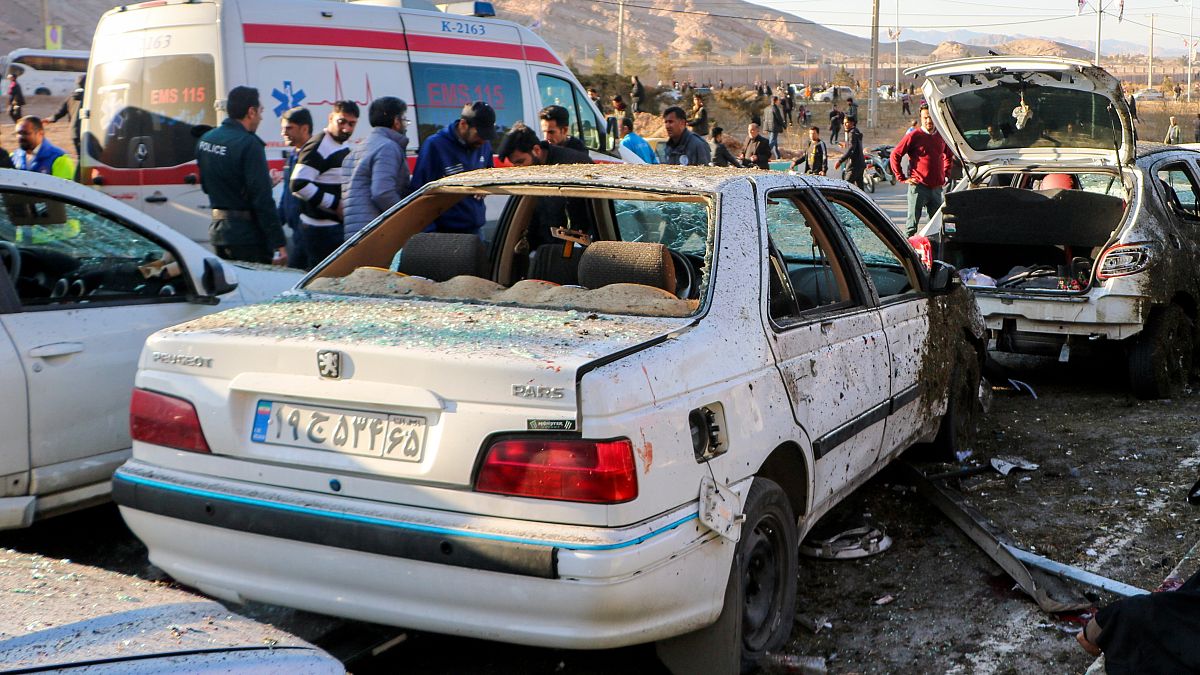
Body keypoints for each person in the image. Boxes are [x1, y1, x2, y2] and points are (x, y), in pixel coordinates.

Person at [195, 86, 287, 265]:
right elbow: (262, 200)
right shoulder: (249, 144)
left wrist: (265, 182)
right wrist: (279, 243)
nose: (260, 117)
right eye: (260, 111)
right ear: (251, 112)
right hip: (248, 238)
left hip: (219, 232)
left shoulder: (206, 138)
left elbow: (208, 185)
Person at [496, 123, 592, 254]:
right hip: (541, 248)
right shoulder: (530, 169)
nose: (519, 169)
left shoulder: (572, 165)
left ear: (536, 150)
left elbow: (586, 216)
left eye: (521, 162)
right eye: (514, 165)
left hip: (571, 249)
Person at [409, 101, 496, 234]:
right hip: (445, 233)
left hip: (476, 229)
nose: (483, 141)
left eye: (486, 137)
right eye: (479, 135)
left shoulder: (483, 145)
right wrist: (430, 234)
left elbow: (490, 171)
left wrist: (486, 186)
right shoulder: (435, 146)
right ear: (463, 124)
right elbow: (419, 193)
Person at [290, 100, 358, 264]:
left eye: (352, 124)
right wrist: (335, 204)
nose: (346, 128)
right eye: (341, 121)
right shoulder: (319, 145)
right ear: (331, 118)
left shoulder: (339, 143)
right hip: (320, 231)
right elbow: (298, 184)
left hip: (330, 228)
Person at [342, 96, 410, 242]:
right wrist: (405, 217)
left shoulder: (356, 150)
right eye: (404, 120)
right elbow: (382, 193)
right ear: (396, 121)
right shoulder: (387, 147)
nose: (405, 124)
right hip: (377, 233)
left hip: (355, 234)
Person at [890, 104, 955, 236]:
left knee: (936, 227)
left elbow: (949, 155)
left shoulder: (941, 136)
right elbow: (895, 155)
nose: (928, 121)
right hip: (918, 187)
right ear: (921, 118)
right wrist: (901, 177)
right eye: (925, 117)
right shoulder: (914, 136)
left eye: (931, 117)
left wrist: (946, 175)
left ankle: (933, 253)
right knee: (911, 227)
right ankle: (905, 253)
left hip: (936, 188)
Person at [277, 106, 312, 269]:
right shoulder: (293, 156)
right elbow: (287, 195)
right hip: (296, 232)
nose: (283, 133)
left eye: (289, 128)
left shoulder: (314, 156)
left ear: (304, 128)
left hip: (309, 231)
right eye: (283, 128)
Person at [43, 75, 84, 158]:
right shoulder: (90, 97)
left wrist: (49, 119)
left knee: (81, 158)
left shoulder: (70, 97)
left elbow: (60, 112)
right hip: (86, 131)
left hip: (74, 131)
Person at [834, 115, 865, 189]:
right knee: (860, 189)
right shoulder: (856, 131)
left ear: (852, 123)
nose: (844, 124)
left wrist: (840, 161)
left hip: (853, 165)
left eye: (847, 123)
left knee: (846, 186)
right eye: (844, 123)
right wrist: (845, 145)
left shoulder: (852, 133)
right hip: (860, 164)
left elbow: (851, 149)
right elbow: (854, 145)